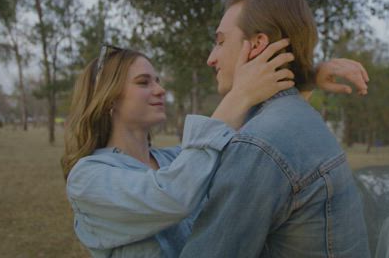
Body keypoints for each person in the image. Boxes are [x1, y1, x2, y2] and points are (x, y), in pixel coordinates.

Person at [63, 42, 368, 257]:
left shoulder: (175, 159)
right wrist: (240, 94)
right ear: (110, 98)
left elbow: (251, 137)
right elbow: (171, 196)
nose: (160, 89)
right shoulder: (88, 178)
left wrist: (307, 77)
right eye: (144, 82)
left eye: (158, 80)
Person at [179, 0, 370, 257]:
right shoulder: (297, 117)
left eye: (220, 42)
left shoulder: (260, 144)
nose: (212, 58)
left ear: (256, 45)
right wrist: (308, 75)